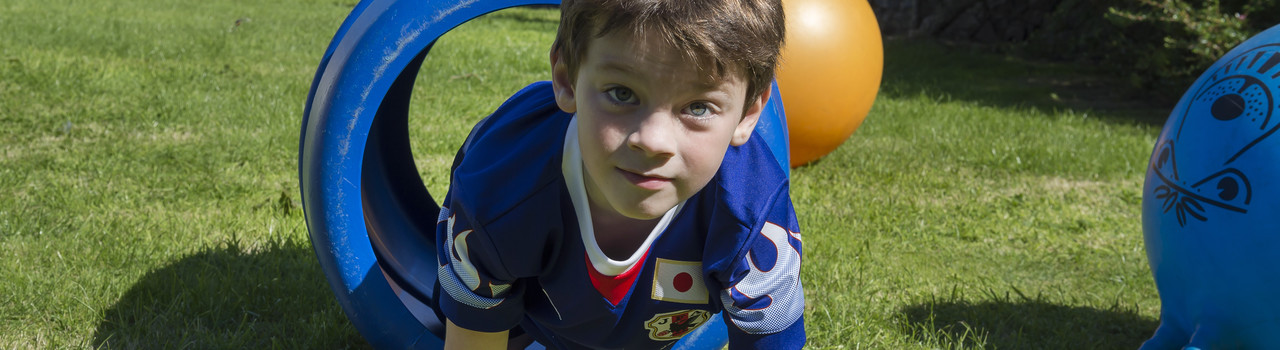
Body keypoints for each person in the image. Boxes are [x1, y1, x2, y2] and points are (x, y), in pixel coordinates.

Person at [434, 0, 803, 348]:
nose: (654, 141)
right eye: (622, 94)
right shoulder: (501, 192)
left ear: (748, 115)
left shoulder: (751, 217)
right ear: (565, 80)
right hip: (527, 305)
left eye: (698, 107)